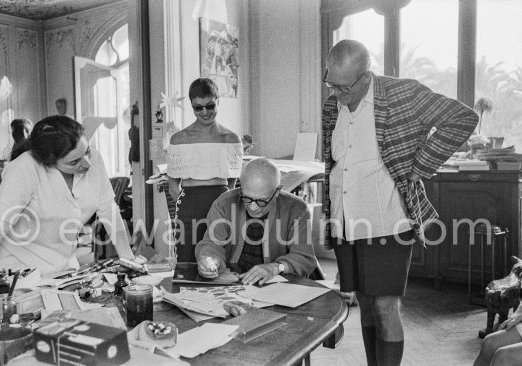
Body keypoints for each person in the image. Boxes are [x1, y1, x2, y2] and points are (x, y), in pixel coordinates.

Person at [322, 40, 479, 366]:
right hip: (345, 221)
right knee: (364, 303)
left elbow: (463, 118)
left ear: (366, 77)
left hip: (387, 221)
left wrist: (420, 165)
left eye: (343, 87)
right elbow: (336, 162)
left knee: (384, 306)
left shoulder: (402, 94)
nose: (335, 94)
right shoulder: (332, 104)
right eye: (330, 83)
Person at [0, 116, 142, 288]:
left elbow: (109, 210)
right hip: (19, 271)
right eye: (74, 162)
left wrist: (129, 261)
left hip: (65, 267)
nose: (87, 163)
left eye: (87, 151)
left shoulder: (93, 159)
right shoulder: (24, 168)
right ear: (49, 161)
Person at [195, 158, 316, 284]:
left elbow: (304, 258)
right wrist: (210, 261)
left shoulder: (296, 209)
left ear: (277, 191)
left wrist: (276, 267)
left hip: (276, 284)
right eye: (247, 198)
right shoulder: (224, 203)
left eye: (261, 201)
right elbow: (211, 243)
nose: (253, 207)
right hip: (233, 280)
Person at [166, 78, 243, 262]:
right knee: (188, 261)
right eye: (198, 108)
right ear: (191, 106)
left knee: (220, 260)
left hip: (221, 204)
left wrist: (225, 206)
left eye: (210, 106)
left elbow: (232, 184)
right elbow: (172, 186)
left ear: (218, 101)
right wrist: (186, 207)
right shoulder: (179, 140)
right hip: (189, 206)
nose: (205, 112)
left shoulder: (231, 139)